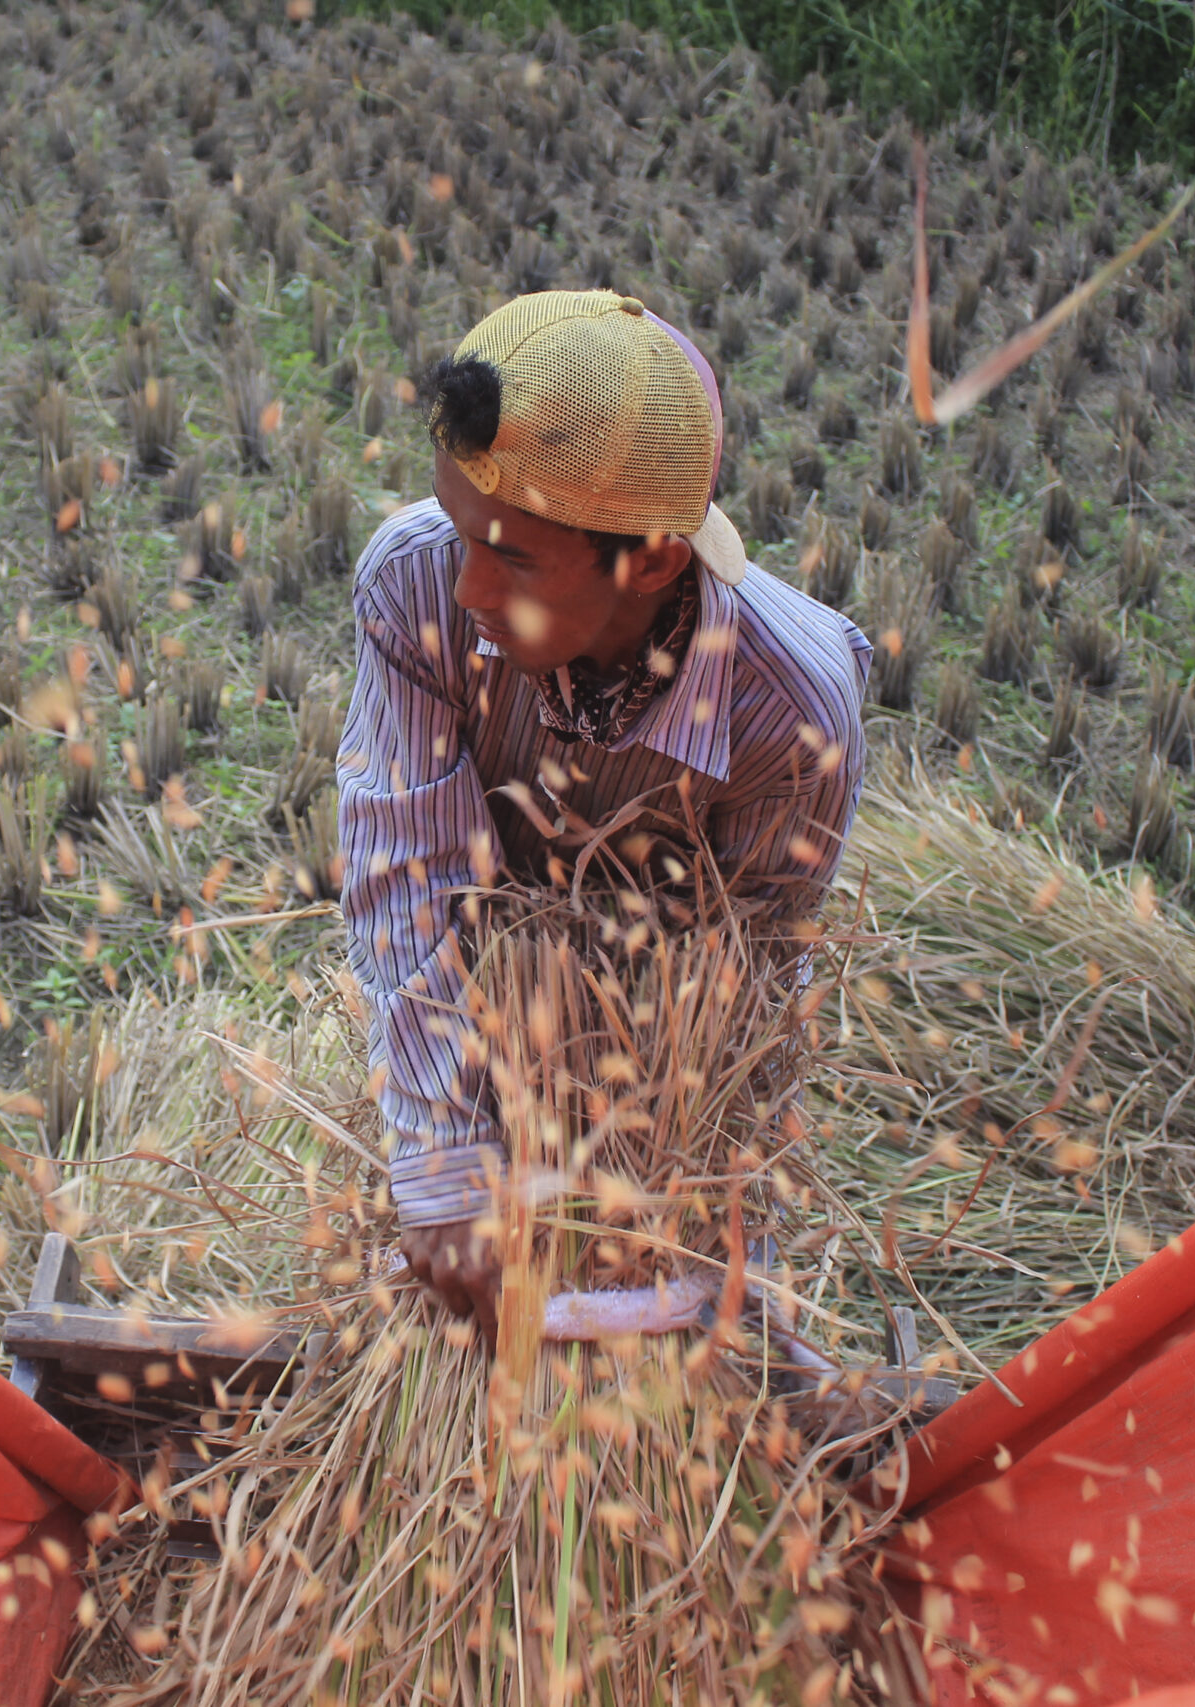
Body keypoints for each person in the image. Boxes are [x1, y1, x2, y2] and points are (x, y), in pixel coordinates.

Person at [336, 289, 871, 1328]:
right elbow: (408, 873)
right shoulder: (415, 584)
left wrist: (660, 1192)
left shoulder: (792, 712)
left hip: (659, 1052)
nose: (469, 591)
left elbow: (749, 972)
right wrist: (445, 1157)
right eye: (459, 530)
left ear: (655, 557)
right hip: (471, 982)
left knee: (690, 1324)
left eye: (512, 557)